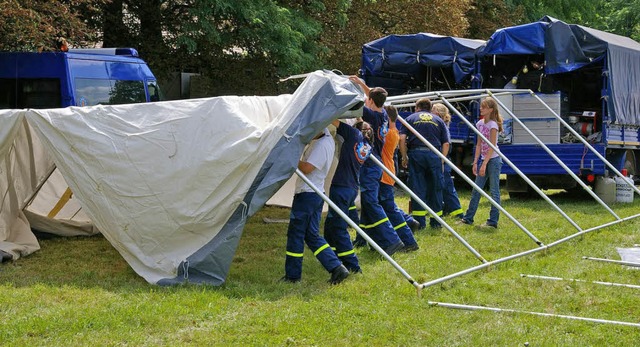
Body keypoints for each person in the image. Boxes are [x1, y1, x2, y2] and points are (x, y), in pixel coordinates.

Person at [282, 128, 349, 284]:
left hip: (307, 194)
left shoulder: (322, 145)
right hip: (314, 193)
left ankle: (292, 276)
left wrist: (290, 158)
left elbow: (307, 168)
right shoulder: (321, 140)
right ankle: (337, 268)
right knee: (311, 236)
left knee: (295, 234)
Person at [349, 76, 405, 255]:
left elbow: (356, 104)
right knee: (367, 203)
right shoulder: (382, 114)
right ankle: (362, 238)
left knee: (371, 202)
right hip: (377, 163)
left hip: (371, 165)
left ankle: (392, 240)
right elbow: (374, 97)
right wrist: (361, 83)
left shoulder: (371, 114)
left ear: (370, 101)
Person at [324, 119, 372, 273]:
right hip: (351, 187)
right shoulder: (367, 145)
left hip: (342, 187)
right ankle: (331, 257)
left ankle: (352, 264)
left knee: (338, 227)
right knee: (330, 224)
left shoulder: (352, 134)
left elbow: (332, 119)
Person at [398, 98, 450, 229]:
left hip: (416, 154)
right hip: (434, 155)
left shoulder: (410, 118)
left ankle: (419, 222)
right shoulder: (438, 120)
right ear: (430, 107)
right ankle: (436, 222)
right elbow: (446, 143)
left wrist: (404, 156)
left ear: (417, 108)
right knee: (436, 187)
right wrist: (442, 159)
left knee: (417, 187)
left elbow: (402, 138)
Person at [377, 105, 419, 251]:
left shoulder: (388, 133)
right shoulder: (392, 131)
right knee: (387, 206)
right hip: (387, 173)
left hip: (384, 175)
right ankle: (409, 223)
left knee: (390, 208)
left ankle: (409, 240)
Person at [458, 97, 504, 228]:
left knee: (494, 191)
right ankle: (468, 219)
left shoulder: (493, 125)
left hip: (493, 160)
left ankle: (492, 221)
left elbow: (492, 146)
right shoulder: (479, 123)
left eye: (483, 107)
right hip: (483, 159)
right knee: (476, 190)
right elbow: (478, 144)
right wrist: (475, 162)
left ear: (490, 109)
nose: (480, 109)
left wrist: (484, 164)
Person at [431, 103, 463, 220]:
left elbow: (446, 144)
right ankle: (446, 209)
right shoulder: (442, 124)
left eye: (432, 110)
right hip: (442, 159)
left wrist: (442, 160)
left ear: (438, 113)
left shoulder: (441, 125)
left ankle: (458, 213)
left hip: (443, 159)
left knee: (447, 187)